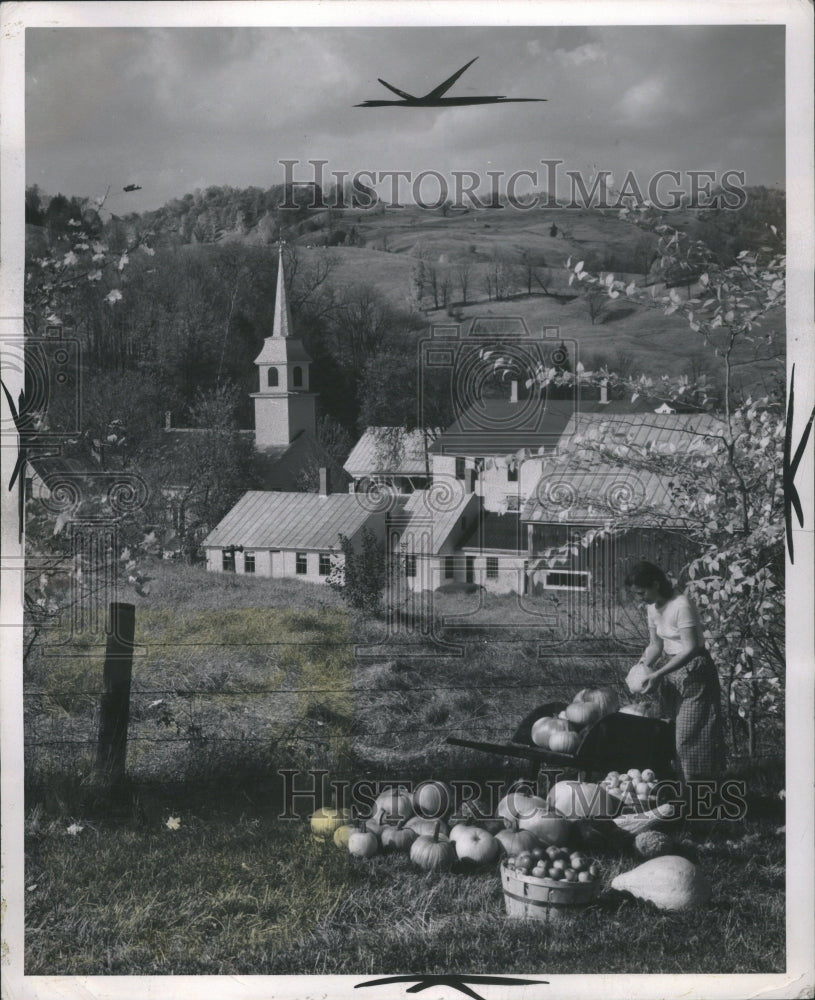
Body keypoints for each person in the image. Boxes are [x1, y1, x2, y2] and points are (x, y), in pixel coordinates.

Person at [625, 561, 725, 787]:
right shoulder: (652, 607)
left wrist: (658, 674)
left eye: (642, 593)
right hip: (671, 670)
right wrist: (641, 667)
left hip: (695, 672)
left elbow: (691, 648)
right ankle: (682, 787)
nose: (640, 598)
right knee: (671, 732)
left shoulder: (681, 605)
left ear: (655, 584)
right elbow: (655, 645)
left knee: (690, 737)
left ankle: (697, 794)